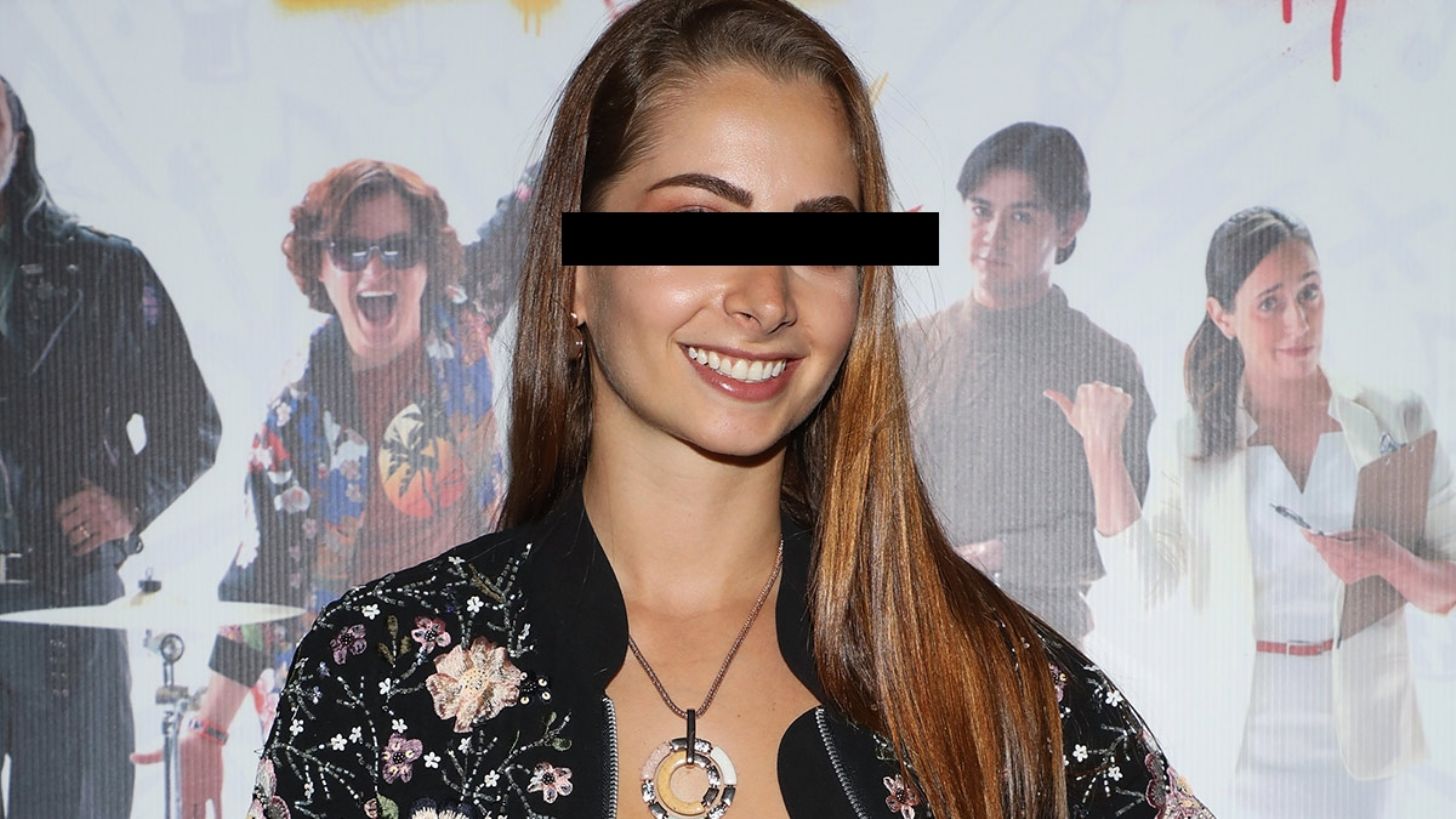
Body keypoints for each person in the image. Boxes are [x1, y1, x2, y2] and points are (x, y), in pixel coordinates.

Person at [247, 2, 1210, 818]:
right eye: (701, 222)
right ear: (575, 272)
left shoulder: (1001, 686)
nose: (767, 295)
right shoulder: (376, 679)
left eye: (821, 238)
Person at [132, 159, 525, 819]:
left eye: (398, 248)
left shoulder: (461, 320)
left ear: (428, 262)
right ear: (320, 265)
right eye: (351, 250)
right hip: (342, 690)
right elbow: (260, 581)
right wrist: (210, 728)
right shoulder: (295, 415)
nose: (377, 270)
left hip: (469, 668)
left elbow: (535, 206)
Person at [1054, 206, 1456, 816]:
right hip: (1242, 745)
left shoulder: (1394, 419)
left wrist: (1388, 561)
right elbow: (1145, 591)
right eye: (1270, 303)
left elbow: (1448, 587)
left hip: (1361, 744)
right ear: (1223, 316)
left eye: (1309, 292)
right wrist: (1101, 449)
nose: (1299, 321)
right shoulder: (1195, 443)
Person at [0, 75, 221, 818]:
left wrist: (128, 502)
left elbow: (191, 420)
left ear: (18, 140)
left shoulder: (103, 270)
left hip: (65, 603)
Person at [902, 122, 1155, 646]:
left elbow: (1113, 543)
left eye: (1021, 215)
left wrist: (997, 556)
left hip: (1043, 650)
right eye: (981, 210)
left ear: (1068, 225)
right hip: (917, 640)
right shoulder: (908, 350)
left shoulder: (1105, 363)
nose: (993, 235)